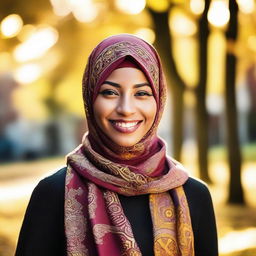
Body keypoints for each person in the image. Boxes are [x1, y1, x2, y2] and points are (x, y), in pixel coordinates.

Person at [15, 34, 218, 256]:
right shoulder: (53, 194)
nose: (126, 108)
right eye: (110, 92)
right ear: (90, 97)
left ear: (158, 100)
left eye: (141, 93)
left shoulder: (194, 195)